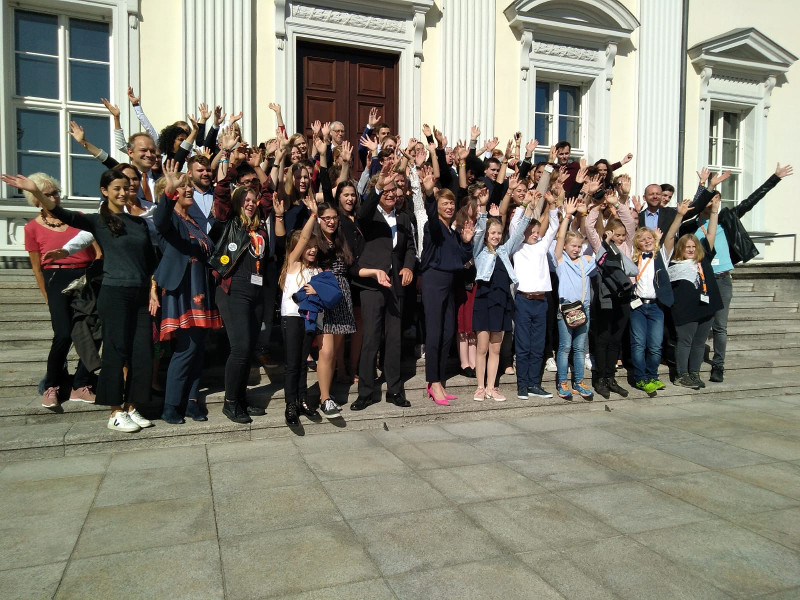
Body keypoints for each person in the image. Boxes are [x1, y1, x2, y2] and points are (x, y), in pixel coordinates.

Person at [4, 170, 157, 433]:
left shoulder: (140, 224)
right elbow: (63, 214)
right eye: (116, 188)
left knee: (142, 353)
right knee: (116, 351)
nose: (122, 192)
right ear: (104, 191)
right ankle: (115, 412)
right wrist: (37, 191)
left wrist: (153, 288)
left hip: (140, 294)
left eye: (126, 187)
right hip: (114, 294)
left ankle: (131, 406)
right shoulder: (98, 221)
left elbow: (150, 261)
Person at [683, 163, 793, 382]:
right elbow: (693, 207)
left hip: (723, 279)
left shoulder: (726, 218)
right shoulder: (691, 224)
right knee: (701, 327)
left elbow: (750, 202)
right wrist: (703, 186)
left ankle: (718, 366)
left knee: (720, 327)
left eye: (716, 199)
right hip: (700, 280)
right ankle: (691, 366)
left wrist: (775, 178)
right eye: (709, 199)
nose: (712, 203)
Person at [209, 129, 275, 424]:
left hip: (256, 290)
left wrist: (259, 165)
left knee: (249, 348)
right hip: (233, 289)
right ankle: (230, 402)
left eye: (253, 199)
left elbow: (270, 192)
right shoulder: (229, 221)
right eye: (246, 199)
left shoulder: (258, 225)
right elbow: (222, 193)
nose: (251, 202)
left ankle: (242, 398)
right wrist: (228, 156)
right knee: (240, 347)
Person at [152, 160, 222, 424]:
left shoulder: (194, 221)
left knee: (197, 349)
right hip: (183, 291)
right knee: (186, 349)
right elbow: (159, 220)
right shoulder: (169, 219)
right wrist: (169, 192)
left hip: (201, 290)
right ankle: (171, 405)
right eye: (182, 187)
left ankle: (192, 401)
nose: (188, 189)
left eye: (188, 185)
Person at [22, 173, 100, 407]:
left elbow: (97, 250)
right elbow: (37, 269)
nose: (54, 197)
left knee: (93, 332)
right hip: (55, 278)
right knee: (63, 334)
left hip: (85, 277)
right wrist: (46, 294)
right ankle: (51, 386)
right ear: (36, 199)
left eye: (55, 192)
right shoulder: (31, 228)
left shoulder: (78, 218)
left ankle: (81, 385)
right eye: (47, 194)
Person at [350, 162, 416, 411]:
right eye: (386, 189)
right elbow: (363, 211)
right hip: (372, 285)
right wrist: (378, 185)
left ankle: (395, 390)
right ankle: (366, 392)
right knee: (371, 339)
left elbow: (409, 247)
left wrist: (408, 266)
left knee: (394, 340)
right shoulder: (369, 215)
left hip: (395, 286)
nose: (391, 193)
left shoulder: (403, 217)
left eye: (394, 189)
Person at [418, 168, 475, 405]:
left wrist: (466, 242)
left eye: (452, 203)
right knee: (434, 333)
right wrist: (430, 194)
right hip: (433, 281)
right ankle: (433, 382)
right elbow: (431, 216)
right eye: (445, 203)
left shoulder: (451, 232)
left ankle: (439, 380)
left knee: (447, 333)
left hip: (450, 284)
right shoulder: (433, 228)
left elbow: (462, 260)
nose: (449, 207)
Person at [471, 190, 533, 402]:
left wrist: (527, 205)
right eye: (493, 233)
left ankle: (491, 386)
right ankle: (480, 387)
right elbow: (479, 232)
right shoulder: (480, 251)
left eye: (498, 233)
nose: (496, 236)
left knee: (496, 348)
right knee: (482, 347)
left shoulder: (505, 250)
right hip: (484, 301)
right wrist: (482, 210)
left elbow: (518, 232)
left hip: (502, 302)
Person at [585, 181, 637, 399]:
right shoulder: (602, 246)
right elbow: (589, 227)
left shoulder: (627, 245)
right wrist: (598, 205)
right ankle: (600, 379)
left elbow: (630, 224)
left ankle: (611, 378)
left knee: (616, 339)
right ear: (609, 233)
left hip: (624, 298)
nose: (621, 238)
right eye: (617, 235)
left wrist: (618, 204)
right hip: (605, 299)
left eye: (623, 235)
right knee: (603, 338)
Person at [628, 203, 685, 395]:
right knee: (638, 344)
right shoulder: (633, 258)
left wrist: (679, 216)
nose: (647, 241)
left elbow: (670, 237)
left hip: (656, 307)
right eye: (643, 239)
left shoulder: (661, 256)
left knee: (654, 345)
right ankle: (640, 378)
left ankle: (652, 375)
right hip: (637, 306)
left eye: (650, 238)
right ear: (638, 242)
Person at [669, 196, 723, 389]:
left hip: (705, 308)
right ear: (681, 249)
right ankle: (681, 375)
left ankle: (694, 373)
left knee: (699, 343)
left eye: (693, 246)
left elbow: (711, 234)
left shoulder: (704, 259)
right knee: (685, 342)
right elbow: (668, 238)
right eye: (687, 247)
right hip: (685, 311)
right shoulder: (674, 264)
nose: (691, 249)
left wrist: (714, 211)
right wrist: (679, 216)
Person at [510, 187, 559, 400]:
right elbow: (514, 226)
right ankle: (522, 386)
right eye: (531, 232)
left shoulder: (541, 247)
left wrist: (553, 205)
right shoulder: (517, 247)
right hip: (523, 300)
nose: (535, 235)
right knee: (523, 345)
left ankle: (534, 384)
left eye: (537, 232)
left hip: (541, 301)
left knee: (538, 345)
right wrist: (524, 205)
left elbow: (554, 227)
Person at [277, 202, 321, 426]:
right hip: (292, 317)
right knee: (293, 363)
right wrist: (313, 215)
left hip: (309, 319)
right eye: (308, 246)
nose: (312, 249)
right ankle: (290, 404)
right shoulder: (293, 264)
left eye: (315, 246)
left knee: (303, 362)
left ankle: (303, 400)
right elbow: (303, 237)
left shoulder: (317, 269)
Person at [552, 198, 597, 401]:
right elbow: (559, 243)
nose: (576, 249)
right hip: (566, 309)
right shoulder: (560, 261)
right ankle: (563, 381)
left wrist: (587, 215)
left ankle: (579, 381)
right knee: (565, 347)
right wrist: (567, 217)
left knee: (580, 348)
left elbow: (597, 247)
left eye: (579, 246)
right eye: (573, 246)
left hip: (584, 307)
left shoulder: (585, 262)